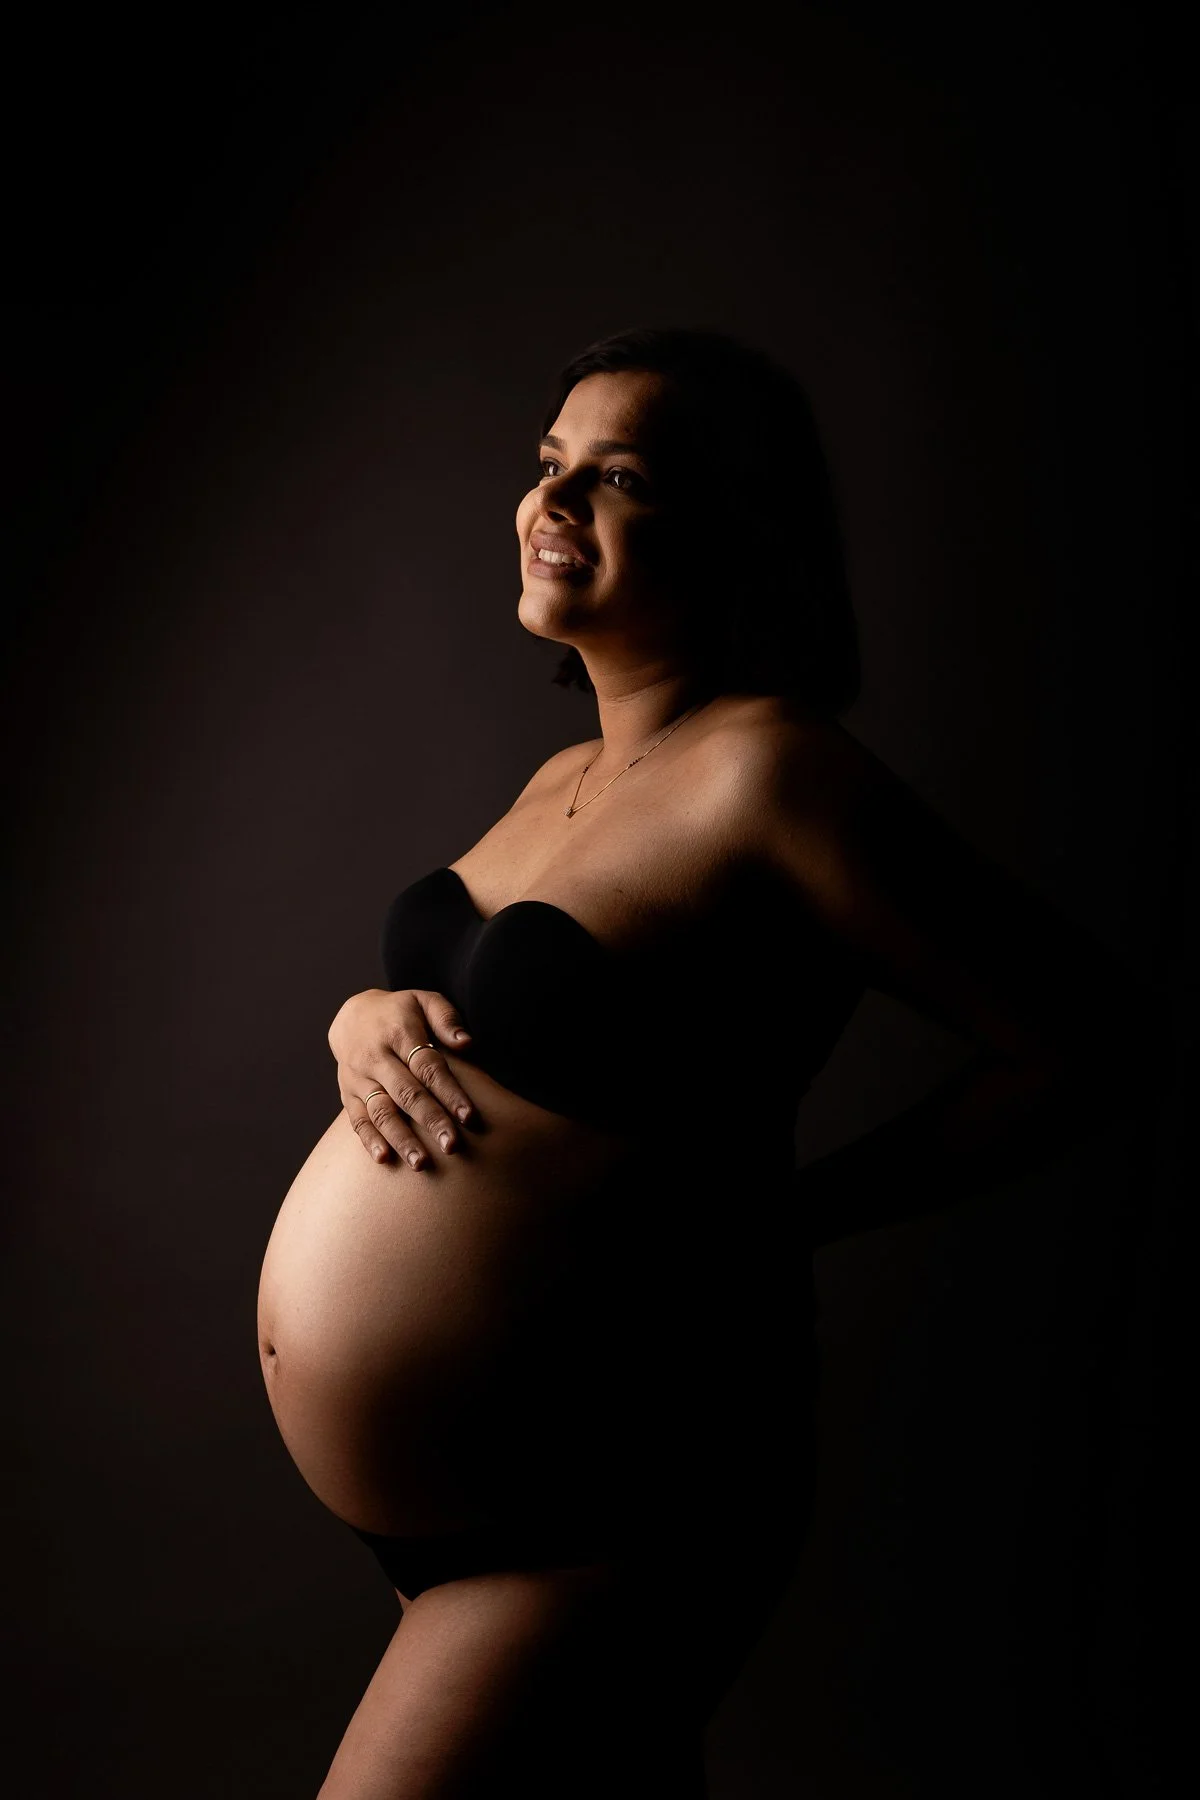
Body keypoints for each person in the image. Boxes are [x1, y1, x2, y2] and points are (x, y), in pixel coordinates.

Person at [257, 325, 1163, 1798]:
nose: (554, 503)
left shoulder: (775, 770)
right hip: (464, 1491)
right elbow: (497, 1016)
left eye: (614, 477)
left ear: (733, 528)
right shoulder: (562, 778)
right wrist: (360, 1016)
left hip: (619, 1487)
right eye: (549, 465)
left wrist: (794, 1212)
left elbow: (1085, 1041)